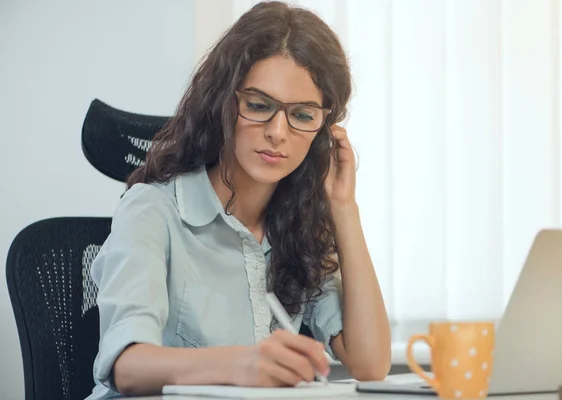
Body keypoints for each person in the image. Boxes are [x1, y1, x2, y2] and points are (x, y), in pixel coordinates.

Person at [86, 1, 391, 399]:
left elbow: (371, 364)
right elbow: (127, 366)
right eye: (259, 106)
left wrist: (344, 209)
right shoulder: (151, 210)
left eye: (302, 115)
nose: (278, 132)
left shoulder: (299, 229)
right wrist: (243, 364)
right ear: (223, 102)